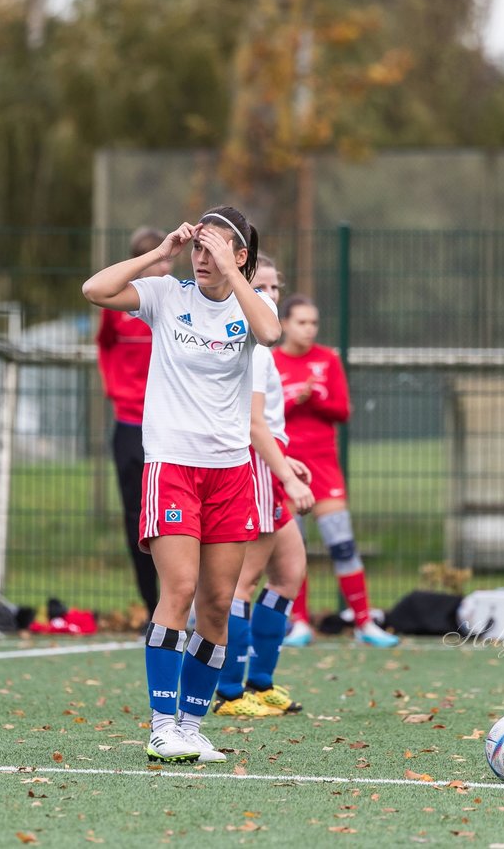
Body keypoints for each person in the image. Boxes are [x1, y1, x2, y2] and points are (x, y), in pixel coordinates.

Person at [82, 206, 280, 764]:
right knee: (180, 590)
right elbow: (95, 290)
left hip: (231, 473)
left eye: (214, 247)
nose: (202, 256)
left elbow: (270, 332)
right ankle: (162, 723)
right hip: (172, 466)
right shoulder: (168, 295)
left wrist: (232, 270)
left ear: (240, 256)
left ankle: (191, 726)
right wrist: (159, 253)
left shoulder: (252, 303)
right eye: (198, 246)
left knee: (217, 604)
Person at [215, 256, 316, 717]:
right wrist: (288, 476)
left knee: (289, 571)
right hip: (253, 468)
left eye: (275, 289)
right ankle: (231, 693)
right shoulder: (251, 345)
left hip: (266, 466)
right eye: (261, 288)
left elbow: (264, 424)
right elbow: (253, 425)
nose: (270, 297)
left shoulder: (264, 346)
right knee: (241, 584)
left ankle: (260, 682)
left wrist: (285, 460)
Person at [273, 294, 400, 648]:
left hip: (324, 468)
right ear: (284, 324)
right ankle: (299, 623)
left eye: (313, 322)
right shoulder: (271, 361)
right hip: (287, 467)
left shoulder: (328, 360)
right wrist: (292, 401)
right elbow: (261, 416)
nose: (309, 329)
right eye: (301, 322)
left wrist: (314, 399)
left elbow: (343, 411)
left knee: (342, 545)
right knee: (293, 550)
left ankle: (363, 622)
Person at [96, 226, 173, 620]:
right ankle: (151, 604)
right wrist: (115, 388)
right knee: (136, 519)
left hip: (170, 427)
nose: (161, 266)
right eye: (153, 258)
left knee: (173, 518)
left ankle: (180, 605)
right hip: (129, 425)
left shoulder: (175, 304)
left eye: (165, 259)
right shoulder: (122, 310)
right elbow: (104, 346)